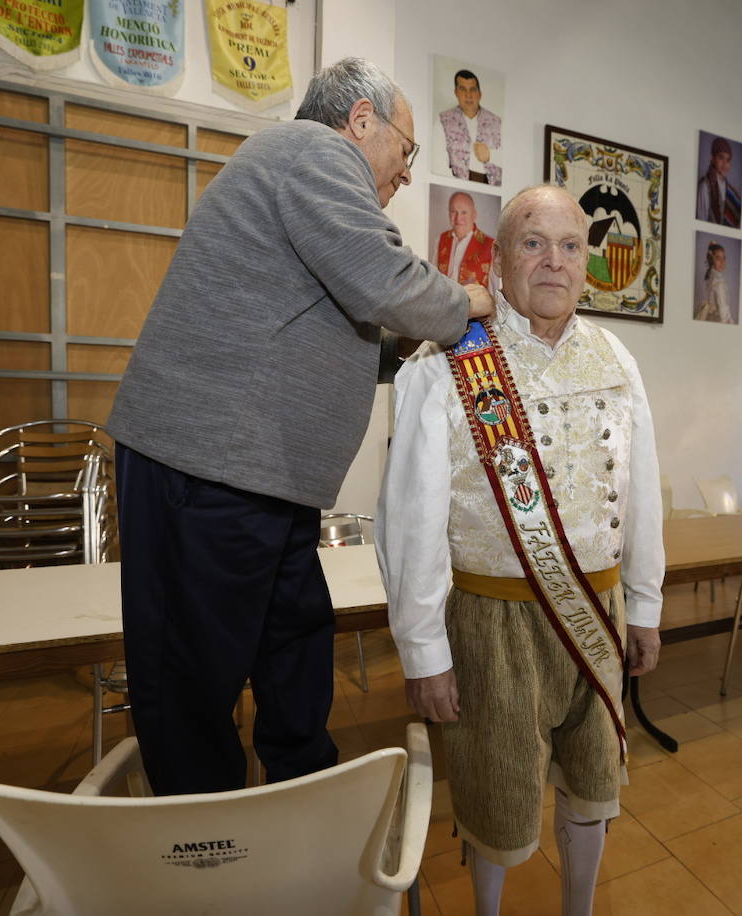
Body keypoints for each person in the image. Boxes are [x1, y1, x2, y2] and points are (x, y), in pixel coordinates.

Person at [105, 57, 494, 797]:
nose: (406, 174)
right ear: (360, 121)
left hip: (260, 480)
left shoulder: (305, 182)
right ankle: (205, 845)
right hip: (209, 466)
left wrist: (407, 345)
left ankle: (300, 805)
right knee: (194, 676)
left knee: (297, 645)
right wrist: (471, 299)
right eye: (407, 151)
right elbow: (380, 278)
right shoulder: (311, 152)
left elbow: (340, 327)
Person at [377, 186, 664, 916]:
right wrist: (422, 651)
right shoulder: (445, 361)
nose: (553, 262)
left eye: (571, 246)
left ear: (587, 265)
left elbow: (642, 492)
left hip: (595, 613)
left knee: (594, 786)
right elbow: (409, 517)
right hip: (491, 623)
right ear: (498, 260)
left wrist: (647, 603)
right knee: (498, 794)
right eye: (533, 243)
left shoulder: (616, 357)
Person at [435, 68, 502, 185]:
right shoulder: (442, 121)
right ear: (456, 92)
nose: (468, 95)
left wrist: (491, 155)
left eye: (473, 90)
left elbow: (511, 161)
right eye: (462, 89)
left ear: (480, 94)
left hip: (491, 183)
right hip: (457, 183)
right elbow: (438, 163)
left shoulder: (497, 122)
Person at [434, 190, 496, 286]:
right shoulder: (440, 239)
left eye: (464, 212)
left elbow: (494, 294)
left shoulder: (491, 246)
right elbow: (433, 280)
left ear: (474, 214)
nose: (458, 218)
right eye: (454, 212)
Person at [695, 136, 742, 227]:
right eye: (721, 157)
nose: (725, 163)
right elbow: (701, 221)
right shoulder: (705, 186)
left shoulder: (729, 190)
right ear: (712, 158)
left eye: (728, 160)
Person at [695, 242, 735, 323]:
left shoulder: (710, 277)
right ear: (711, 260)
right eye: (718, 258)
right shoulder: (719, 283)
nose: (722, 261)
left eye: (724, 258)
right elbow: (724, 315)